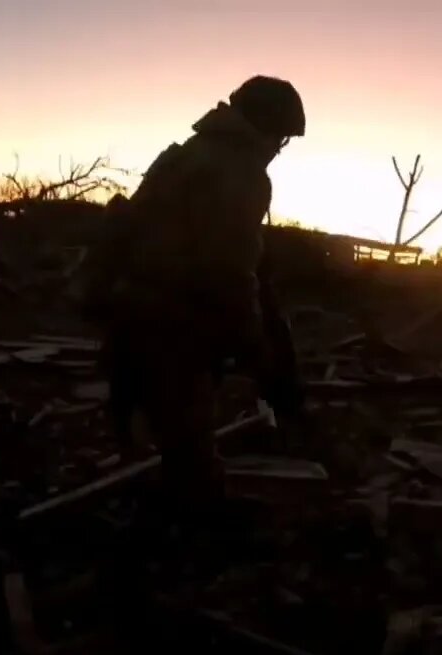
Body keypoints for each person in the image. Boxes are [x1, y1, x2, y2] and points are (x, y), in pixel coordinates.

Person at [90, 76, 307, 520]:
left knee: (157, 416)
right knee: (189, 431)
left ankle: (160, 503)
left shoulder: (186, 155)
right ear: (267, 128)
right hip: (172, 314)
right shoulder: (239, 170)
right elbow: (227, 269)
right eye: (281, 139)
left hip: (132, 304)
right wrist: (256, 347)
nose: (278, 149)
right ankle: (190, 526)